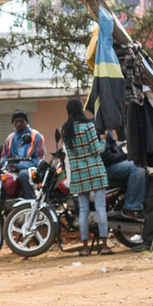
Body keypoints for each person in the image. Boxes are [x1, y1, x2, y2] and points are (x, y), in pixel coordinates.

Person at [61, 97, 112, 254]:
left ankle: (84, 248)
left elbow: (69, 153)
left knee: (83, 210)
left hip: (78, 173)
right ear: (81, 109)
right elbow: (96, 149)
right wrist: (103, 142)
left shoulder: (66, 130)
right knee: (100, 208)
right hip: (95, 170)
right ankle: (103, 246)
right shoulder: (88, 126)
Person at [0, 109, 45, 199]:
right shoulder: (10, 138)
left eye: (21, 121)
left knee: (23, 175)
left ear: (26, 122)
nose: (18, 124)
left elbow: (39, 159)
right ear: (13, 123)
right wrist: (8, 167)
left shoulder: (35, 136)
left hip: (31, 170)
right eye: (16, 121)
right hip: (12, 170)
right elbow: (4, 158)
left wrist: (19, 166)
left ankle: (30, 203)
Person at [101, 131, 146, 215]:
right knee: (138, 167)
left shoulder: (105, 126)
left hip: (110, 163)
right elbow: (107, 157)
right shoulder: (99, 128)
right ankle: (132, 207)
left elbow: (113, 148)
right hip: (104, 168)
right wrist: (126, 154)